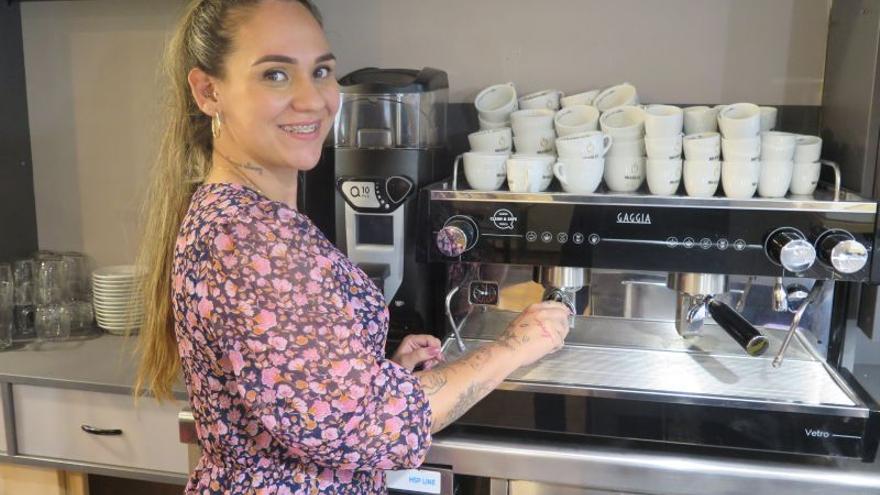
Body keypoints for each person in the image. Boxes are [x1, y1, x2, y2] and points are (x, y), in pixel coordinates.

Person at [134, 0, 572, 493]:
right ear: (208, 91)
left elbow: (294, 387)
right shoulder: (252, 241)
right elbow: (370, 428)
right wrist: (515, 346)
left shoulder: (241, 215)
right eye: (275, 75)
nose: (312, 99)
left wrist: (371, 371)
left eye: (321, 71)